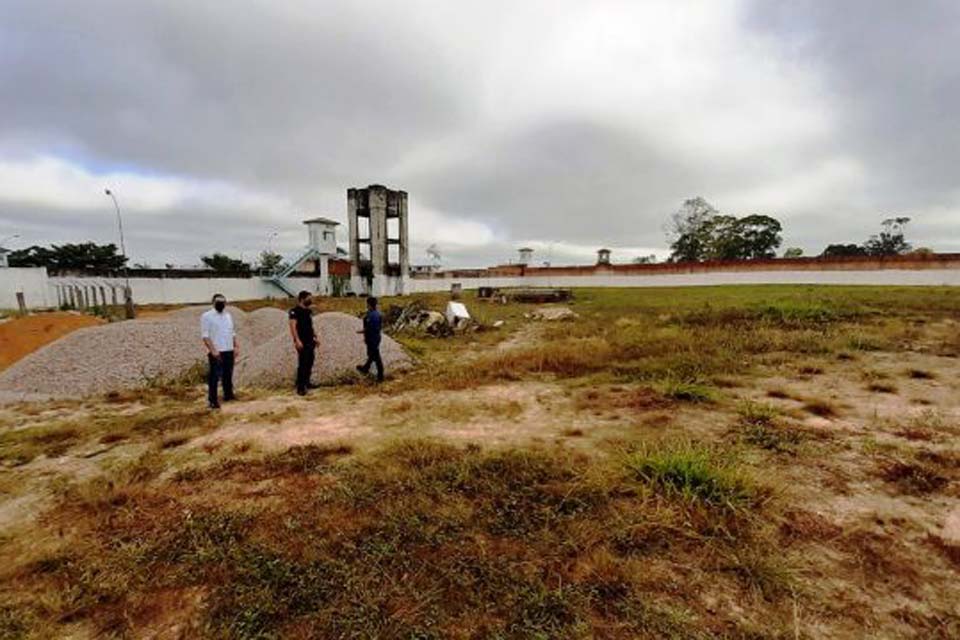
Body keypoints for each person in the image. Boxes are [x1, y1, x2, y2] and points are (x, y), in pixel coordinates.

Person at [201, 293, 238, 409]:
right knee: (214, 376)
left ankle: (228, 395)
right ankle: (213, 400)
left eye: (223, 302)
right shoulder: (207, 316)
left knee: (228, 374)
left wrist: (236, 346)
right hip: (216, 351)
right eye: (218, 301)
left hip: (228, 349)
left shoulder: (228, 316)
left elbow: (232, 332)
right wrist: (213, 350)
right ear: (213, 302)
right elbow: (205, 336)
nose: (221, 304)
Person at [289, 290, 319, 395]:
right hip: (302, 340)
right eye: (309, 298)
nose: (311, 300)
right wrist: (297, 340)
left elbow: (310, 326)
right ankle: (300, 387)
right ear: (302, 299)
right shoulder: (294, 311)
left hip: (310, 340)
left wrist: (315, 337)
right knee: (303, 363)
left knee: (310, 361)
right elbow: (293, 327)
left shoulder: (308, 311)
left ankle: (307, 382)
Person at [356, 296, 384, 382]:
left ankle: (380, 376)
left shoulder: (373, 315)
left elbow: (371, 328)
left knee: (376, 356)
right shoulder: (372, 313)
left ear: (369, 304)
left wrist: (362, 331)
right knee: (372, 355)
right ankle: (366, 368)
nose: (366, 306)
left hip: (373, 338)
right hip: (372, 338)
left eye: (367, 304)